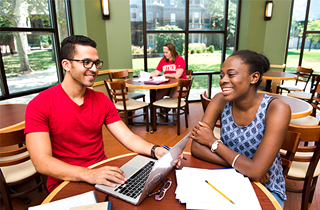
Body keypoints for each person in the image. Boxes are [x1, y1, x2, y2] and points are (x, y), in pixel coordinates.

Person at [25, 35, 176, 192]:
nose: (94, 69)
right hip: (65, 182)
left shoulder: (101, 100)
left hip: (102, 175)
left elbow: (127, 136)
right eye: (86, 62)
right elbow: (41, 161)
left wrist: (155, 150)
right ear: (66, 65)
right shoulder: (39, 105)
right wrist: (88, 174)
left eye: (96, 63)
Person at [190, 50, 291, 208]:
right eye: (221, 75)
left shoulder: (277, 109)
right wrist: (246, 169)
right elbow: (196, 147)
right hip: (230, 178)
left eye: (231, 75)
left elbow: (258, 173)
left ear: (254, 77)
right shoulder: (220, 100)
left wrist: (212, 142)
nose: (223, 80)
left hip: (266, 187)